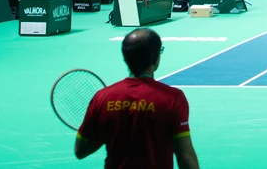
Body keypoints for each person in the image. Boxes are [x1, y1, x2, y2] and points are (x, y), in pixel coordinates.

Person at [75, 28, 199, 169]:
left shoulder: (102, 97)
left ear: (125, 58)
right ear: (156, 58)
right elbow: (185, 157)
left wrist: (104, 132)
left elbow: (80, 151)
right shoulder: (173, 98)